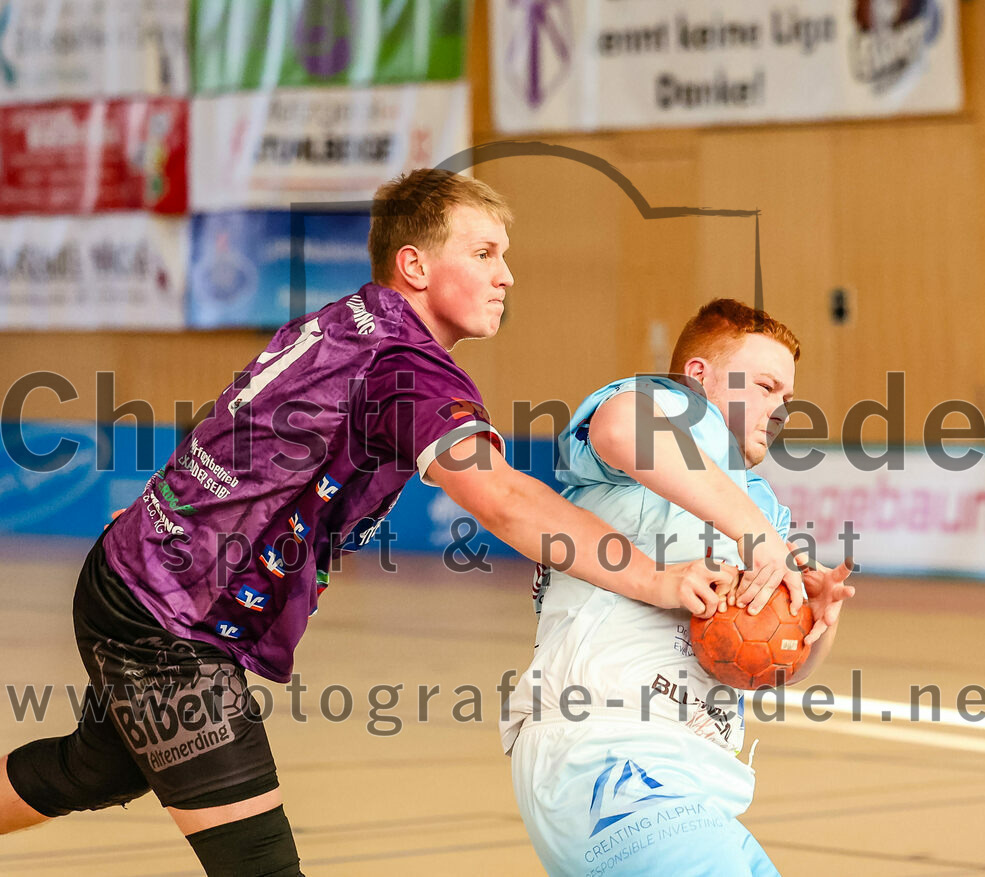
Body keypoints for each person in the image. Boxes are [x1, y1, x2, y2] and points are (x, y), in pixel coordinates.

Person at [0, 171, 768, 877]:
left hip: (133, 574)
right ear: (416, 265)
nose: (507, 275)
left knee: (91, 767)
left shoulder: (353, 322)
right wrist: (659, 577)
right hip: (165, 624)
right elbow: (503, 498)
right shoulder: (404, 364)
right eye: (484, 251)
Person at [500, 299, 856, 876]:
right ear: (699, 375)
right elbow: (621, 427)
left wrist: (815, 626)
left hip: (697, 769)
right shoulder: (681, 412)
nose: (781, 407)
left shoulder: (755, 501)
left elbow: (775, 665)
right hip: (609, 750)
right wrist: (761, 539)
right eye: (765, 385)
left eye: (787, 396)